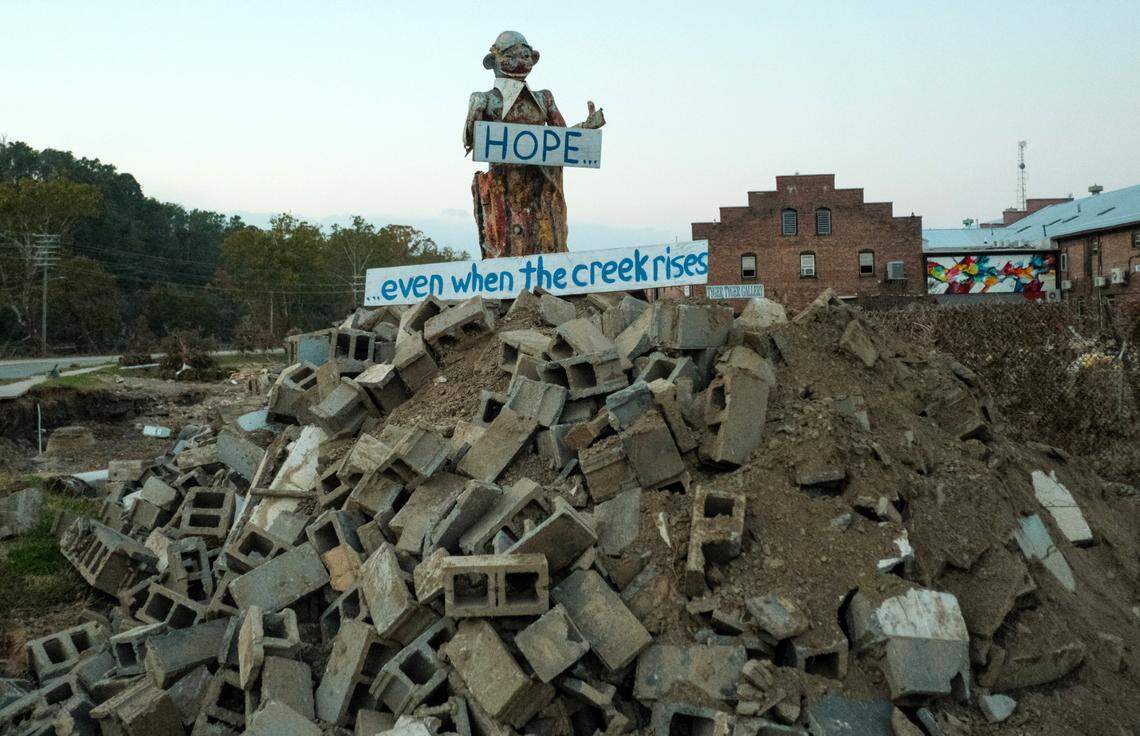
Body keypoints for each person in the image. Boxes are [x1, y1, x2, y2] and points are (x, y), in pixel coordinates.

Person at [464, 31, 605, 259]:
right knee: (509, 239)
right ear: (495, 61)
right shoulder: (485, 98)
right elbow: (472, 140)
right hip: (504, 185)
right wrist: (475, 113)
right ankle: (506, 282)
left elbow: (563, 138)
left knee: (546, 238)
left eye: (527, 55)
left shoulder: (544, 98)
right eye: (513, 55)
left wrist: (587, 127)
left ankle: (549, 281)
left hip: (544, 186)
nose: (522, 60)